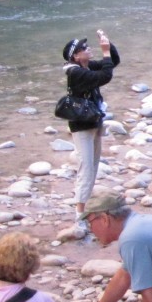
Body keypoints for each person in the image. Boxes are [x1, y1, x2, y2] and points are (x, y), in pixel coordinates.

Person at [61, 30, 119, 234]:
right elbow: (105, 76)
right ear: (76, 56)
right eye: (84, 49)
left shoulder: (85, 66)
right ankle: (79, 215)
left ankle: (86, 206)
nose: (88, 49)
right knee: (85, 167)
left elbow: (113, 63)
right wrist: (104, 53)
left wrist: (108, 46)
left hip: (93, 121)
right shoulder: (76, 73)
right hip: (82, 126)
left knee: (93, 166)